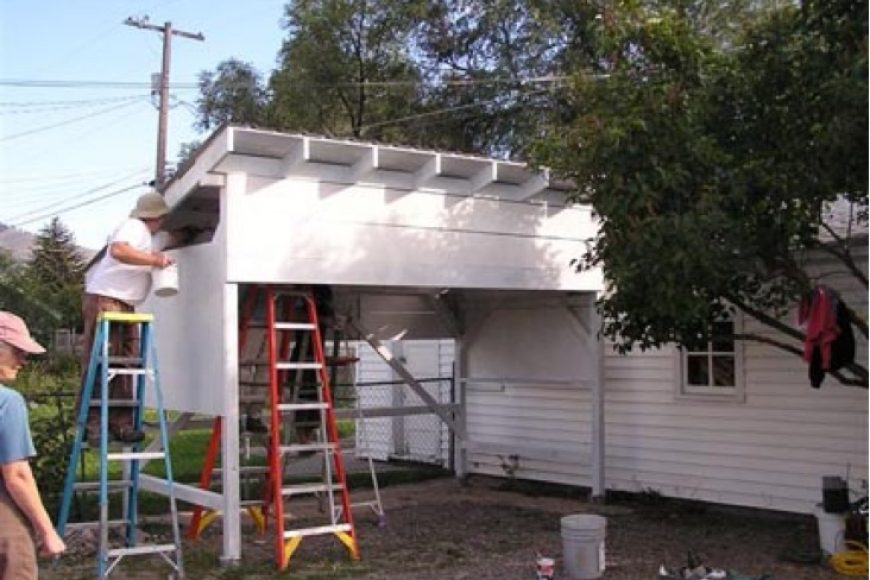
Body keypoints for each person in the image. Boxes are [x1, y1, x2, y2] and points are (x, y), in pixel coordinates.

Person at [77, 191, 175, 444]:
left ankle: (121, 424)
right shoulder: (134, 227)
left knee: (126, 362)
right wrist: (155, 260)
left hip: (123, 303)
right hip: (106, 299)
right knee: (103, 361)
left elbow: (159, 245)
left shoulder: (146, 237)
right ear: (156, 216)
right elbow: (118, 250)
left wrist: (182, 239)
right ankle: (93, 424)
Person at [0, 312, 67, 577]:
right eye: (18, 352)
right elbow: (16, 475)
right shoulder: (7, 402)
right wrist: (47, 532)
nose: (24, 361)